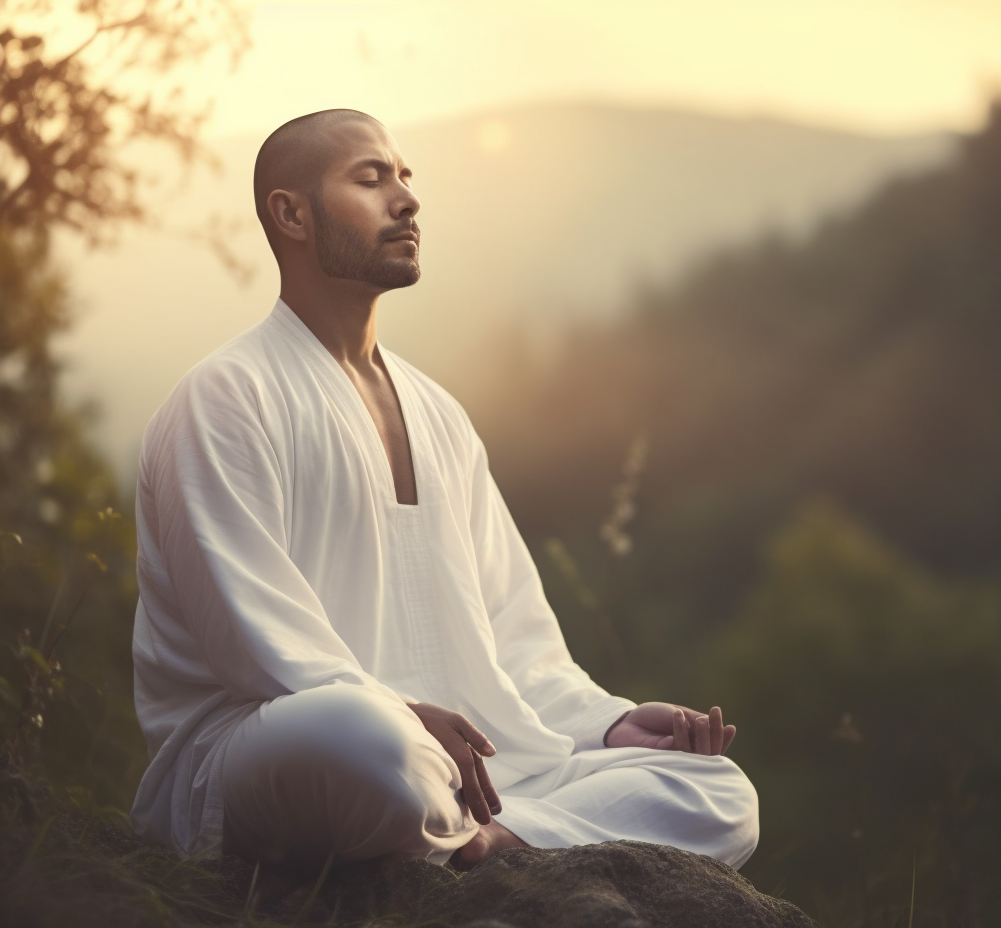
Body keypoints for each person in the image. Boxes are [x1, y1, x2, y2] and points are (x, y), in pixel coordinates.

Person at [129, 109, 758, 873]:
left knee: (719, 791)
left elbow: (517, 638)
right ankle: (470, 820)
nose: (407, 199)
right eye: (371, 178)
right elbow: (252, 639)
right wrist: (400, 715)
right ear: (290, 213)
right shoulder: (226, 397)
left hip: (465, 769)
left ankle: (497, 838)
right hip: (279, 747)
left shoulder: (441, 415)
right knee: (363, 740)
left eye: (405, 177)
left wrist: (611, 726)